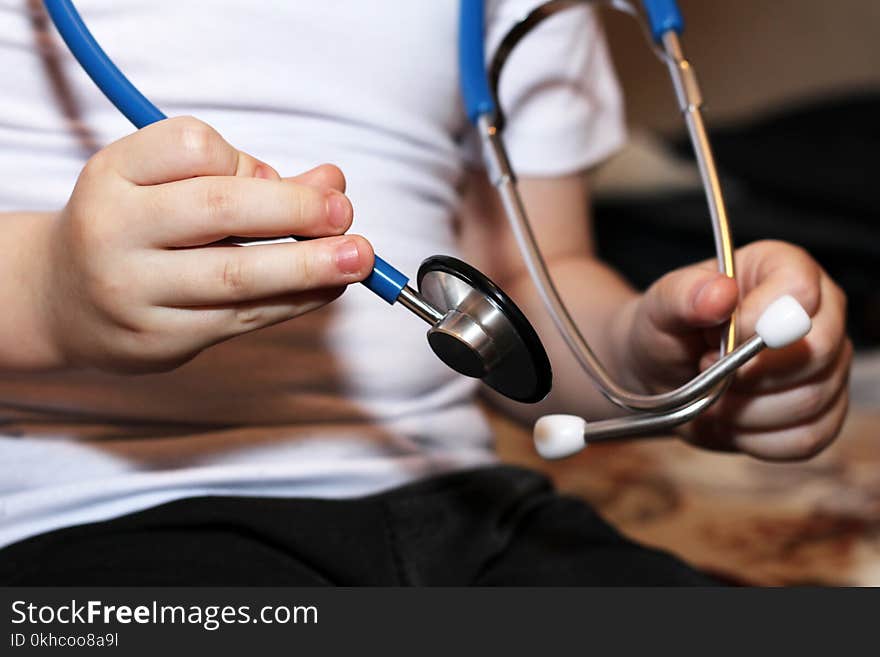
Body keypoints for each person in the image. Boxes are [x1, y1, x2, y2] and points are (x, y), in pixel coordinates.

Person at [0, 1, 850, 585]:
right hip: (90, 519)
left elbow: (527, 286)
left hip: (469, 512)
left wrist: (657, 359)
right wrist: (47, 293)